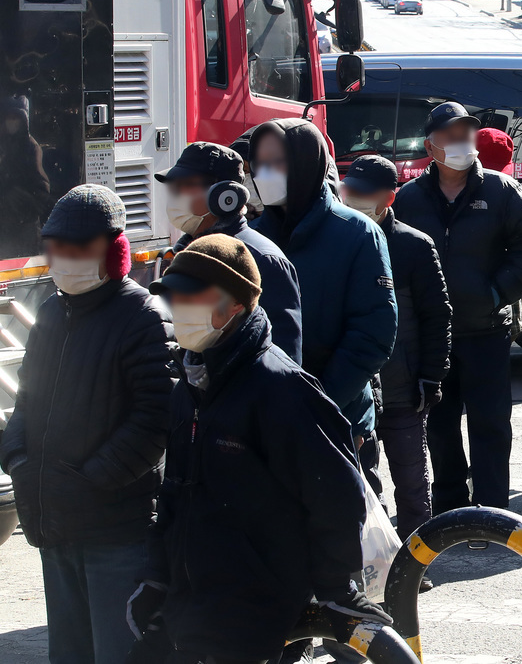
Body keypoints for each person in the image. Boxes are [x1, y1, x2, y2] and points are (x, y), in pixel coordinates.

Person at [132, 235, 388, 664]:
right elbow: (174, 493)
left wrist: (336, 588)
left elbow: (336, 495)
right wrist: (155, 578)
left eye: (192, 297)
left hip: (257, 619)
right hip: (189, 610)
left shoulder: (281, 388)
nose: (179, 308)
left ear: (234, 305)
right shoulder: (190, 386)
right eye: (174, 297)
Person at [0, 185, 174, 664]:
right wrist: (17, 458)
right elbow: (27, 400)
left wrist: (93, 478)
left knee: (119, 652)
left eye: (79, 250)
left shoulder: (141, 315)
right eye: (57, 249)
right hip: (53, 522)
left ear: (112, 250)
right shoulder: (53, 311)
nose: (65, 261)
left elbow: (154, 419)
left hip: (115, 528)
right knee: (70, 653)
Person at [394, 103, 522, 511]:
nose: (462, 142)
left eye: (467, 134)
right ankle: (449, 510)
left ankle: (493, 509)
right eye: (451, 135)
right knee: (440, 428)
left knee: (491, 425)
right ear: (431, 145)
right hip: (433, 338)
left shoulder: (501, 191)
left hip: (486, 332)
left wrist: (495, 294)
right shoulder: (409, 199)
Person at [248, 119, 396, 450]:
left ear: (305, 162)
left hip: (337, 416)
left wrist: (317, 402)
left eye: (277, 162)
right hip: (265, 414)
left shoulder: (357, 233)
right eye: (260, 164)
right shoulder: (253, 235)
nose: (265, 173)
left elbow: (373, 334)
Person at [339, 156, 452, 542]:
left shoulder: (414, 245)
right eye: (348, 190)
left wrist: (431, 376)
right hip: (355, 389)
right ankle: (375, 563)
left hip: (404, 388)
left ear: (389, 197)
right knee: (362, 482)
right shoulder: (338, 239)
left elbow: (438, 317)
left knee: (412, 483)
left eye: (363, 193)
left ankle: (417, 565)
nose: (352, 198)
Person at [157, 141, 302, 363]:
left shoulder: (263, 259)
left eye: (185, 185)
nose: (175, 195)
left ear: (223, 194)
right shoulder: (184, 254)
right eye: (173, 188)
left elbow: (284, 358)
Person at [0, 95, 50, 258]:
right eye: (9, 118)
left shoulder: (31, 147)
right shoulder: (3, 144)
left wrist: (24, 206)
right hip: (5, 222)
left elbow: (42, 188)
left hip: (25, 224)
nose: (12, 122)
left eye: (16, 118)